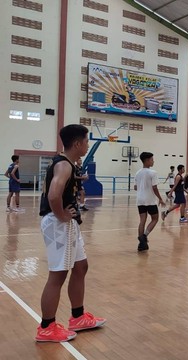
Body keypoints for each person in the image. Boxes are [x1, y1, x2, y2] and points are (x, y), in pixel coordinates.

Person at [36, 124, 105, 342]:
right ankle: (46, 327)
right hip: (59, 224)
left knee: (81, 267)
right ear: (77, 143)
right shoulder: (64, 165)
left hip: (67, 223)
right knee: (58, 275)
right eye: (86, 141)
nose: (87, 145)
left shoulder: (67, 164)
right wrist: (62, 216)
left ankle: (77, 316)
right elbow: (54, 196)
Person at [134, 152, 166, 251]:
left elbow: (135, 187)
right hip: (150, 200)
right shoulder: (153, 173)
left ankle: (141, 244)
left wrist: (142, 188)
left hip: (140, 200)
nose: (153, 161)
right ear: (147, 160)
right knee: (155, 219)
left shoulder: (138, 173)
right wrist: (160, 198)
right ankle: (144, 236)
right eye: (152, 159)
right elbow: (155, 187)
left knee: (142, 221)